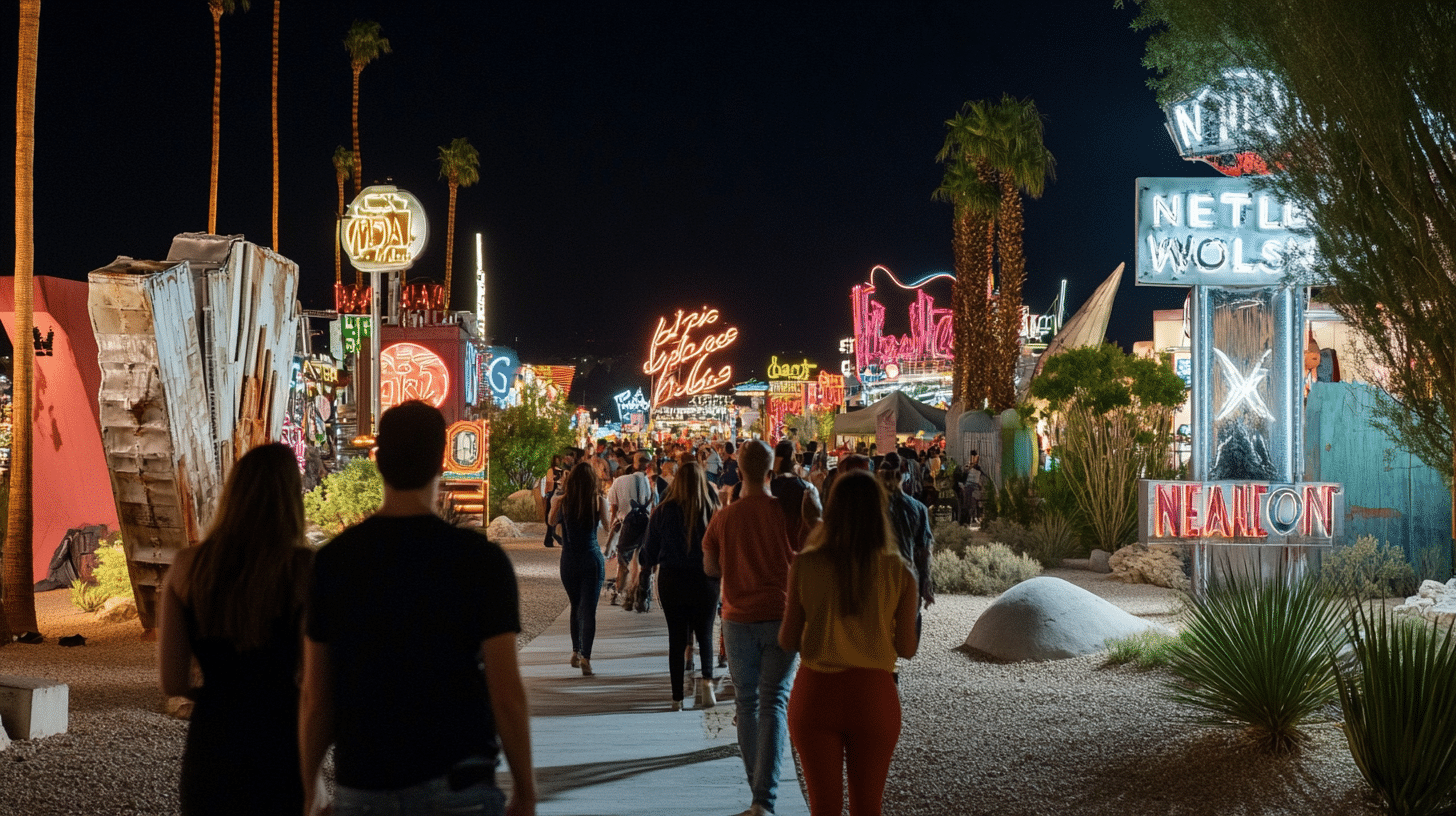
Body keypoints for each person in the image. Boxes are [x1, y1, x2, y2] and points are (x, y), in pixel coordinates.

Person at [301, 401, 535, 816]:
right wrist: (525, 789)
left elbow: (318, 696)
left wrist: (309, 785)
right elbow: (505, 692)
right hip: (459, 778)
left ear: (378, 461)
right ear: (441, 461)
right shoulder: (480, 561)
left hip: (365, 780)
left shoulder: (334, 561)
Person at [158, 443, 313, 816]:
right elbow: (316, 678)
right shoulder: (305, 570)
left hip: (213, 741)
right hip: (281, 739)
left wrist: (220, 695)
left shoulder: (187, 567)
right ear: (291, 499)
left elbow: (173, 682)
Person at [779, 469, 919, 816]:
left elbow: (787, 639)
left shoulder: (806, 564)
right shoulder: (900, 571)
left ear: (833, 509)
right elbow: (907, 648)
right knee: (868, 805)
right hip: (873, 695)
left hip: (816, 693)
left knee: (824, 806)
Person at [703, 440, 799, 816]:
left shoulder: (724, 517)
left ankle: (756, 792)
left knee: (747, 703)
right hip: (781, 616)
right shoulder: (786, 514)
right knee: (774, 703)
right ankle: (764, 799)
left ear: (739, 471)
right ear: (771, 472)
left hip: (738, 619)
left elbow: (711, 567)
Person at [640, 462, 722, 710]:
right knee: (705, 633)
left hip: (672, 579)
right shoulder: (712, 509)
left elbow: (649, 552)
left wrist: (645, 567)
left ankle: (677, 698)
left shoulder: (663, 511)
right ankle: (707, 683)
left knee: (676, 638)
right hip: (705, 579)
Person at [550, 461, 611, 673]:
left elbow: (551, 522)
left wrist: (556, 504)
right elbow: (607, 526)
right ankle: (586, 657)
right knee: (589, 610)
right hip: (591, 558)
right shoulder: (598, 501)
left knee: (575, 605)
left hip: (568, 559)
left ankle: (575, 651)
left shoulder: (562, 501)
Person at [877, 452, 936, 634]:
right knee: (907, 629)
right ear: (904, 474)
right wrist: (926, 582)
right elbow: (924, 549)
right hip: (907, 579)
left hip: (876, 580)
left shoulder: (871, 506)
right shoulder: (918, 509)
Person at [608, 453, 658, 608]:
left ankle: (619, 593)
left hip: (627, 525)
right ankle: (642, 594)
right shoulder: (651, 483)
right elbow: (654, 506)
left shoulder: (619, 481)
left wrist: (612, 530)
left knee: (623, 561)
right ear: (648, 465)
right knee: (642, 561)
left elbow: (613, 509)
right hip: (646, 525)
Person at [770, 439, 823, 552]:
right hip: (800, 550)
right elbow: (816, 524)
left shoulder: (767, 489)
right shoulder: (808, 488)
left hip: (773, 550)